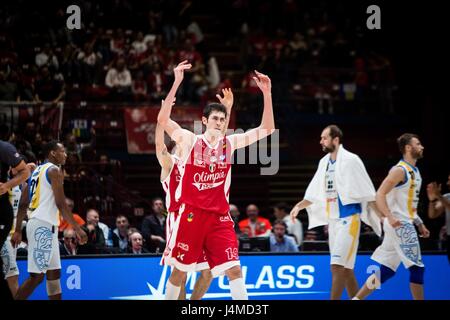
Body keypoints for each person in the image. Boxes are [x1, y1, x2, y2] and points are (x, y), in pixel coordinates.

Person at [158, 60, 275, 300]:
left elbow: (267, 129)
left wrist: (267, 93)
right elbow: (163, 121)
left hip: (219, 218)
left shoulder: (229, 144)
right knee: (179, 273)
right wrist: (177, 82)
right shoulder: (190, 141)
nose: (219, 123)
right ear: (204, 121)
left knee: (234, 269)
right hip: (191, 215)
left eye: (223, 120)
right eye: (215, 119)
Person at [157, 64, 234, 299]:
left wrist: (227, 109)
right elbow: (161, 142)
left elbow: (219, 139)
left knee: (209, 271)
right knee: (179, 272)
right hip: (180, 214)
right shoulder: (171, 161)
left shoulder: (201, 157)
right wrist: (162, 118)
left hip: (205, 215)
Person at [290, 125, 381, 300]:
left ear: (336, 140)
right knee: (346, 270)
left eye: (324, 138)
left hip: (349, 220)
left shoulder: (352, 160)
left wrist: (383, 217)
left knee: (336, 267)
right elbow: (314, 192)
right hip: (333, 222)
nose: (321, 141)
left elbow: (369, 192)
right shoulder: (324, 162)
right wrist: (299, 206)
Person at [353, 133, 430, 300]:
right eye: (418, 144)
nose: (422, 146)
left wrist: (419, 222)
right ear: (408, 148)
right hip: (399, 224)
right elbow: (379, 194)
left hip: (403, 222)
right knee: (417, 269)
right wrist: (388, 216)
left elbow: (408, 206)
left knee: (386, 270)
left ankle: (356, 299)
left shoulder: (415, 172)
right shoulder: (399, 170)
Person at [12, 141, 87, 300]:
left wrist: (18, 229)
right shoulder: (54, 170)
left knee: (54, 274)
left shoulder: (36, 171)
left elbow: (24, 202)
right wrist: (77, 228)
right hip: (42, 226)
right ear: (53, 153)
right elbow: (61, 203)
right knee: (36, 277)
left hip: (44, 226)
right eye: (63, 151)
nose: (65, 154)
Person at [0, 140, 31, 300]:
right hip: (4, 235)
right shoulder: (5, 181)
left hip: (12, 234)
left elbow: (27, 171)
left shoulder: (22, 186)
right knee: (12, 273)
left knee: (11, 273)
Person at [426, 174, 450, 262]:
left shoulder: (444, 198)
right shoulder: (447, 196)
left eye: (449, 180)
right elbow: (432, 215)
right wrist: (432, 200)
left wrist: (438, 195)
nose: (447, 183)